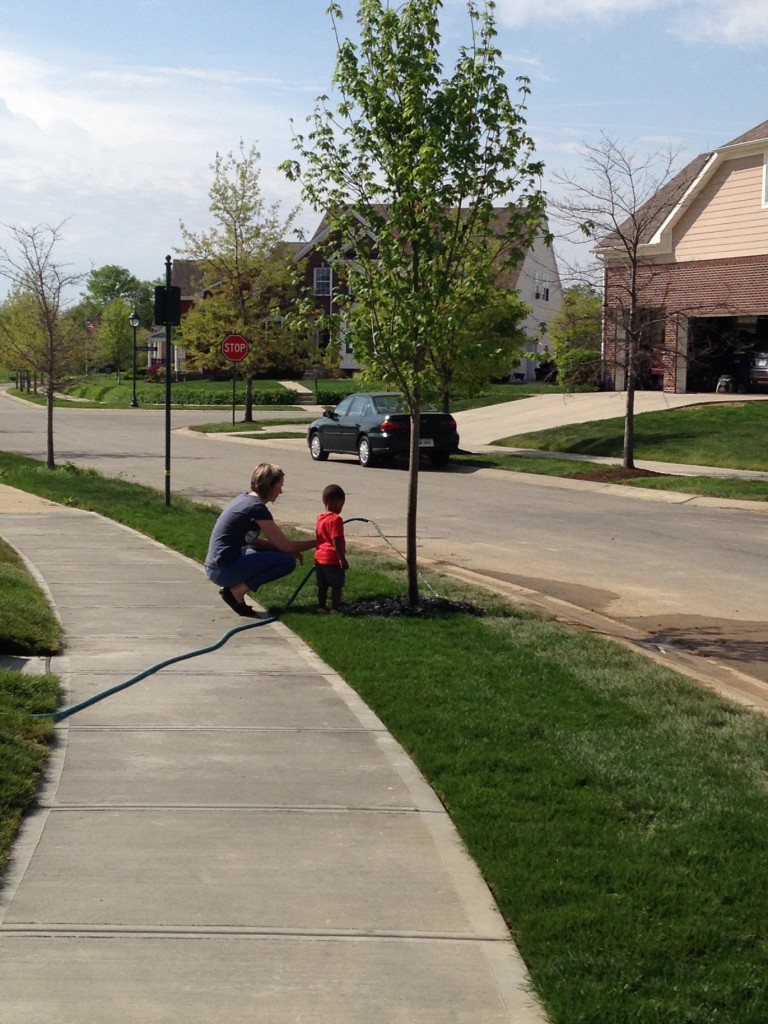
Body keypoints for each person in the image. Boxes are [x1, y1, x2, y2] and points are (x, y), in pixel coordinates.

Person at [205, 463, 316, 617]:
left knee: (281, 554)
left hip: (217, 565)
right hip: (223, 570)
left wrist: (285, 548)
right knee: (287, 561)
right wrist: (320, 542)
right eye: (279, 486)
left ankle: (235, 591)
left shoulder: (245, 499)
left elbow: (254, 542)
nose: (281, 491)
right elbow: (286, 547)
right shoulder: (257, 509)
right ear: (269, 486)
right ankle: (236, 592)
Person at [314, 483, 349, 613]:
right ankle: (335, 607)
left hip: (319, 558)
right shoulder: (336, 519)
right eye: (341, 504)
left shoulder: (320, 517)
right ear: (334, 502)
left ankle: (321, 606)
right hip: (332, 558)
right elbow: (337, 540)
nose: (341, 508)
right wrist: (341, 558)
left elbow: (318, 536)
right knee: (336, 586)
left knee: (322, 586)